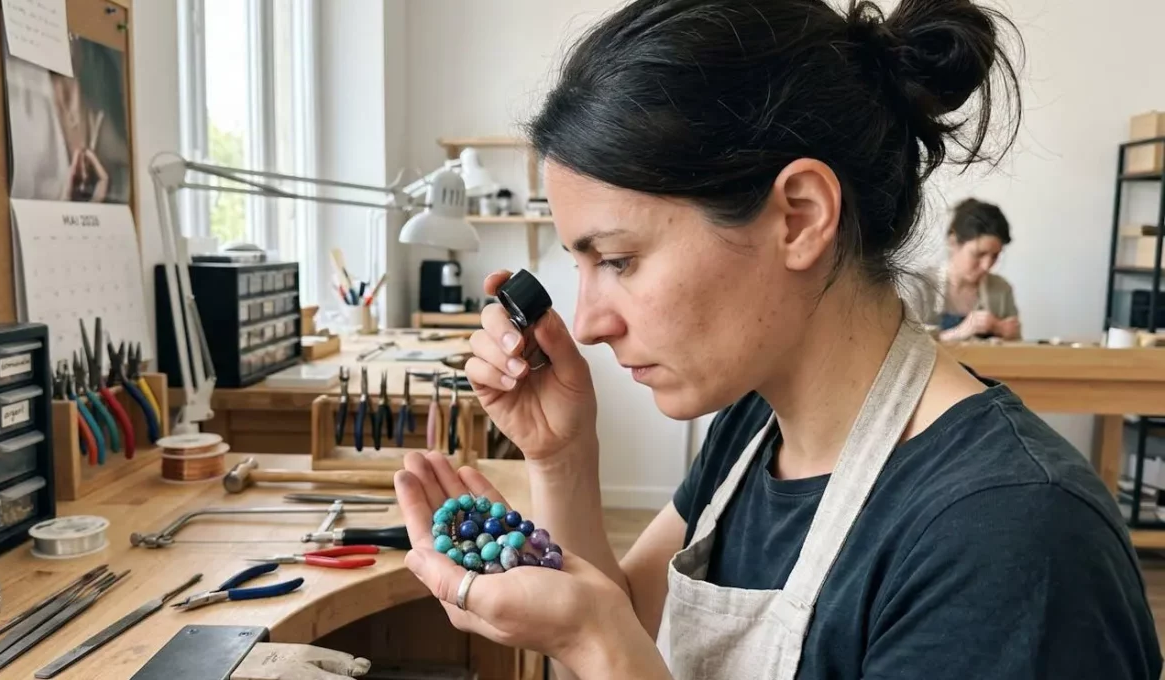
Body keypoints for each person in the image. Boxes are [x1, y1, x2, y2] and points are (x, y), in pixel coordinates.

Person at [393, 0, 1163, 678]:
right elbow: (625, 618)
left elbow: (611, 644)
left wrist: (596, 646)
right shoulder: (752, 430)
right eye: (582, 266)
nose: (590, 322)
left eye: (620, 260)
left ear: (798, 216)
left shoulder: (1013, 541)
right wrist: (563, 456)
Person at [908, 198, 1021, 341]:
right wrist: (958, 333)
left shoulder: (1001, 290)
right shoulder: (920, 286)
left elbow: (1019, 354)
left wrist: (1011, 335)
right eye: (979, 254)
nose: (987, 265)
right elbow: (908, 349)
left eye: (995, 256)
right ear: (953, 242)